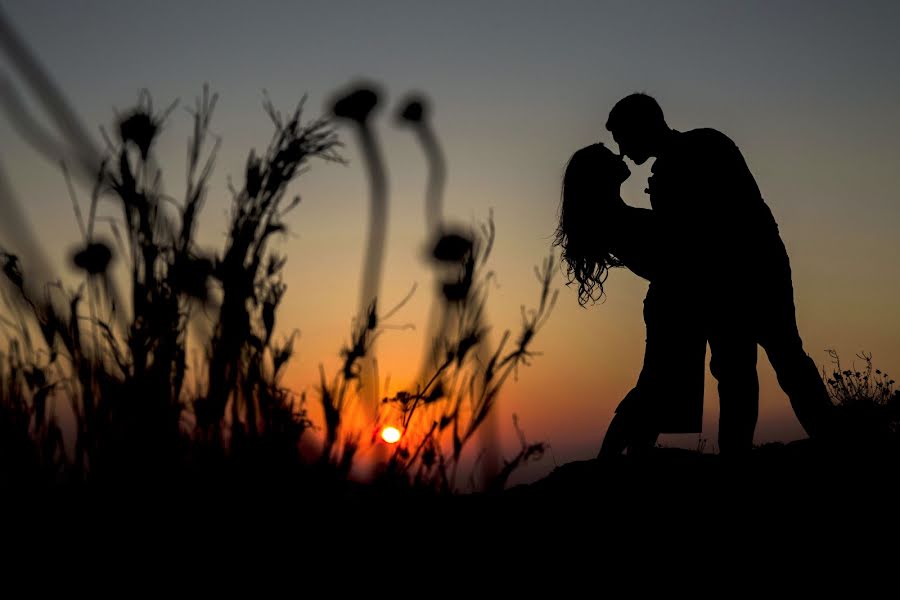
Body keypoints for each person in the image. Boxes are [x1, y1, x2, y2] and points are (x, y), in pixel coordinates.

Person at [604, 93, 836, 454]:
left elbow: (696, 232)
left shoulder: (698, 149)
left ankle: (820, 443)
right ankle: (767, 449)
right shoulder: (693, 152)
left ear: (642, 126)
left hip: (742, 276)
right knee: (753, 367)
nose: (620, 150)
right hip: (744, 273)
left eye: (622, 137)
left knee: (764, 364)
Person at [555, 143, 707, 456]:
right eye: (609, 155)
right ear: (600, 175)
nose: (620, 155)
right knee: (654, 389)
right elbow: (671, 249)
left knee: (659, 390)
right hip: (672, 305)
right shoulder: (611, 219)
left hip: (676, 302)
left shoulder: (613, 215)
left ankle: (628, 457)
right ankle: (609, 459)